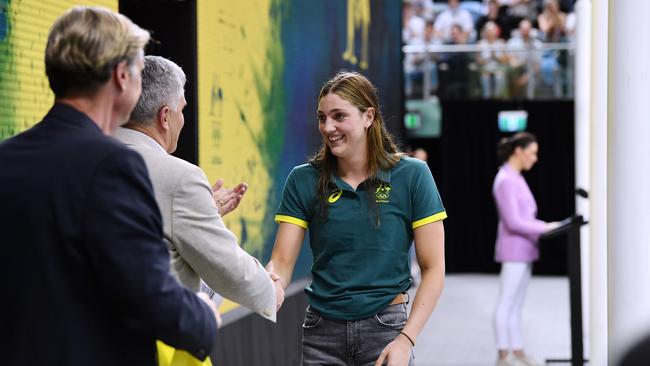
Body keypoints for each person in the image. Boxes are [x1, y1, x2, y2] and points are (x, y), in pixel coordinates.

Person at [0, 6, 218, 366]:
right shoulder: (114, 165)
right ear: (121, 76)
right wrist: (203, 315)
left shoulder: (7, 157)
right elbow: (149, 294)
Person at [267, 71, 447, 365]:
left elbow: (434, 269)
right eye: (322, 117)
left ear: (368, 117)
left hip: (387, 330)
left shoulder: (413, 175)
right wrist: (271, 285)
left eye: (339, 116)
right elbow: (282, 263)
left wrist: (406, 340)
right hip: (320, 332)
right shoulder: (302, 180)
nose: (328, 127)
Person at [114, 55, 283, 321]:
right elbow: (225, 266)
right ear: (165, 117)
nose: (183, 119)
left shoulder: (84, 160)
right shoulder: (179, 178)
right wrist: (270, 289)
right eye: (182, 110)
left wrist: (202, 211)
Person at [492, 132, 559, 366]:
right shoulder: (505, 179)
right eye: (532, 153)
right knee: (507, 301)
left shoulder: (516, 177)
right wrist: (545, 226)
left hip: (524, 249)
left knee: (516, 304)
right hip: (513, 250)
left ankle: (517, 350)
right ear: (518, 152)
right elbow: (513, 221)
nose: (535, 158)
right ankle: (503, 354)